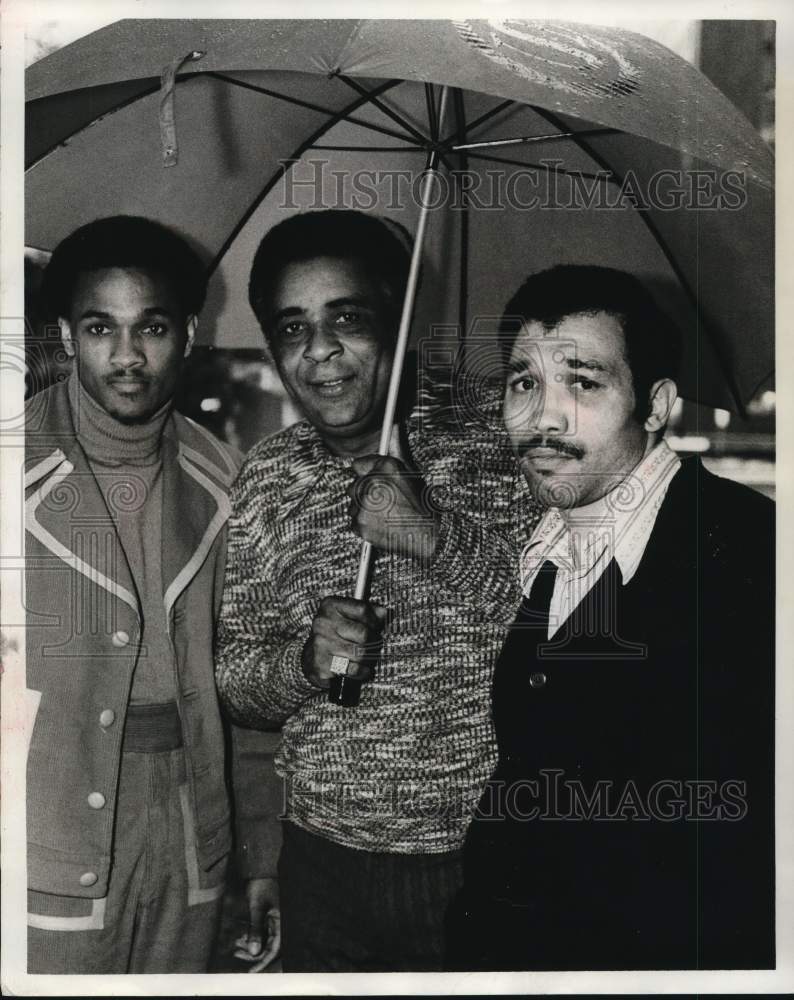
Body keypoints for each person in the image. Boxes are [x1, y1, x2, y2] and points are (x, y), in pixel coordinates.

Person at [215, 209, 537, 972]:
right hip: (322, 866)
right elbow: (234, 682)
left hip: (485, 855)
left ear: (398, 319)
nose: (320, 353)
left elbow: (571, 633)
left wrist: (431, 534)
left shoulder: (501, 441)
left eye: (347, 320)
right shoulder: (267, 476)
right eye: (292, 329)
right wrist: (303, 662)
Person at [445, 265, 775, 971]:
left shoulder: (749, 555)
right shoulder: (549, 548)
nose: (544, 416)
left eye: (583, 382)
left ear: (655, 405)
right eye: (523, 382)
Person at [24, 216, 243, 973]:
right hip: (44, 830)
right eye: (98, 328)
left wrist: (262, 856)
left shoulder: (225, 474)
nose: (125, 356)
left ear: (186, 332)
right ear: (64, 334)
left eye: (149, 327)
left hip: (191, 832)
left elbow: (239, 682)